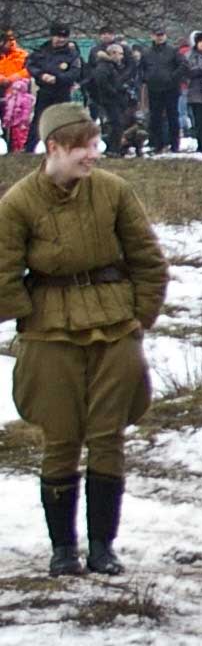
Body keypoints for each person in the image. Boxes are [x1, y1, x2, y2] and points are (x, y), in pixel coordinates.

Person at [0, 102, 167, 576]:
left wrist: (139, 318)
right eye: (82, 148)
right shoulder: (18, 202)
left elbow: (148, 260)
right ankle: (62, 549)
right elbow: (2, 271)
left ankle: (102, 546)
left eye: (95, 146)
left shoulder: (113, 191)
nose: (93, 156)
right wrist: (27, 317)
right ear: (54, 147)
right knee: (61, 437)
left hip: (115, 324)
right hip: (50, 330)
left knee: (108, 436)